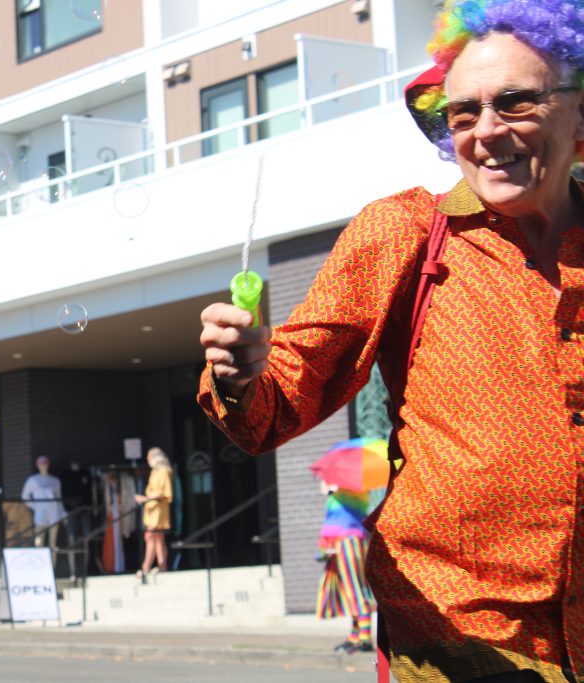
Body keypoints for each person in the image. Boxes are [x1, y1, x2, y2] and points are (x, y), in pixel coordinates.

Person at [198, 1, 584, 680]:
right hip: (463, 641)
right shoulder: (404, 232)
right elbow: (277, 401)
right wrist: (241, 373)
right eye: (462, 113)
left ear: (578, 112)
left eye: (515, 102)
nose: (485, 131)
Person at [314, 482, 376, 655]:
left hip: (349, 543)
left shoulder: (346, 495)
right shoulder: (339, 497)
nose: (321, 484)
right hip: (345, 543)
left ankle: (364, 637)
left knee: (355, 589)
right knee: (350, 591)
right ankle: (356, 636)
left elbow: (339, 523)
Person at [133, 448, 173, 582]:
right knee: (157, 538)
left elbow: (165, 493)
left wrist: (145, 498)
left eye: (149, 457)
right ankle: (162, 565)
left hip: (158, 509)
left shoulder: (165, 471)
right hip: (151, 509)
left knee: (151, 535)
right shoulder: (155, 472)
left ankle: (146, 566)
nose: (148, 460)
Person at [20, 455, 67, 561]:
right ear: (37, 465)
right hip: (41, 514)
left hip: (53, 513)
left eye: (45, 463)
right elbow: (25, 496)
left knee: (53, 542)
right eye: (41, 464)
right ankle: (40, 564)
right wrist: (35, 507)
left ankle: (52, 567)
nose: (43, 466)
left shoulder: (55, 481)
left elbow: (58, 499)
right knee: (39, 540)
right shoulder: (33, 480)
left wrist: (63, 514)